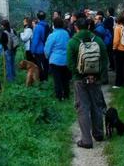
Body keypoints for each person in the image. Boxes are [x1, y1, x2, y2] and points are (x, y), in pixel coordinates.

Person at [67, 19, 108, 149]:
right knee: (96, 105)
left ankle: (86, 140)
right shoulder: (98, 40)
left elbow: (70, 63)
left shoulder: (73, 42)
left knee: (83, 108)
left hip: (80, 80)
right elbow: (105, 60)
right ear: (89, 26)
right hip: (95, 79)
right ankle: (99, 133)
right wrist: (96, 74)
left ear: (75, 27)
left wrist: (80, 74)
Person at [44, 17, 71, 100]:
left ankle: (59, 97)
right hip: (65, 60)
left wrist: (47, 57)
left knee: (57, 80)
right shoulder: (66, 34)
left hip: (55, 61)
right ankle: (66, 95)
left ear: (54, 25)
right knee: (65, 79)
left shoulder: (52, 35)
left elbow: (47, 49)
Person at [30, 11, 50, 81]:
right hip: (47, 48)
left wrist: (32, 50)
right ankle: (46, 79)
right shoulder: (47, 25)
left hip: (39, 50)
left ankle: (42, 80)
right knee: (46, 65)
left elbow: (35, 40)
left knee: (39, 66)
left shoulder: (38, 27)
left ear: (37, 17)